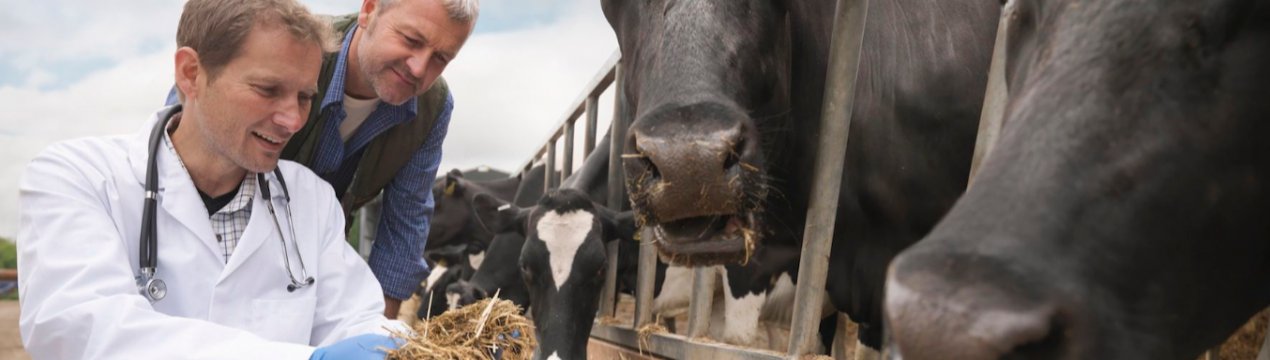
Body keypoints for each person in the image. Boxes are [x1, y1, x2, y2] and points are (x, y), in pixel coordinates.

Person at [18, 0, 407, 358]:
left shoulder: (312, 200)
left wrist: (396, 344)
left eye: (305, 97)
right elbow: (80, 331)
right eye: (267, 90)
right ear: (191, 74)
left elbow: (355, 319)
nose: (293, 120)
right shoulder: (78, 177)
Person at [168, 0, 480, 318]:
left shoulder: (432, 107)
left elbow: (405, 223)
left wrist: (377, 337)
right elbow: (189, 129)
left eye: (440, 58)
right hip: (220, 238)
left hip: (317, 260)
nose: (418, 67)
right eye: (411, 40)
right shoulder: (292, 45)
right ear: (369, 11)